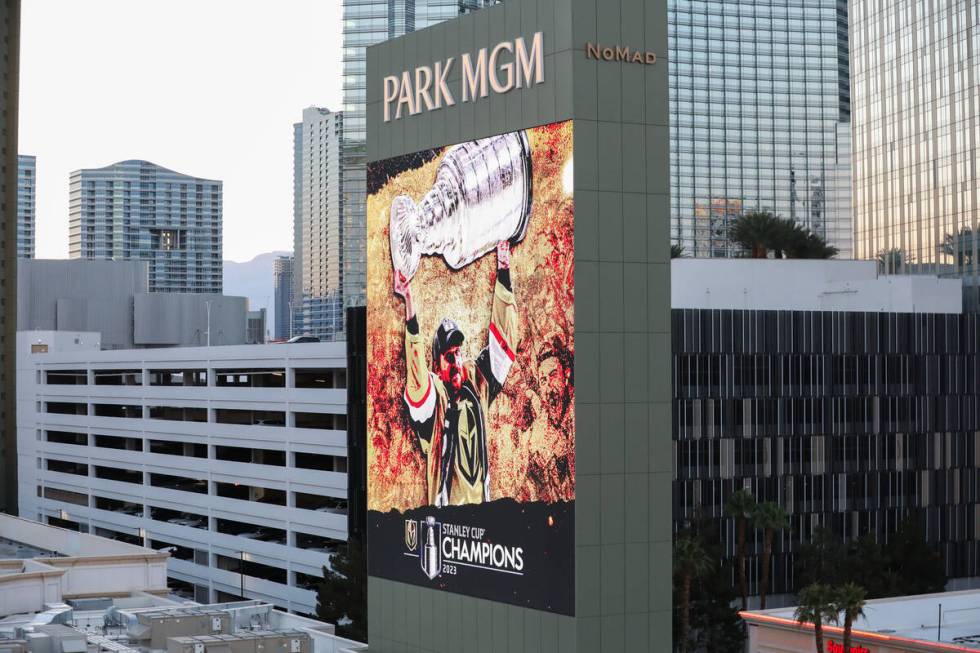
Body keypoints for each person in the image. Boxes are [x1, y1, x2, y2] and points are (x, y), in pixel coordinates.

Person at [395, 240, 519, 506]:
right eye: (449, 357)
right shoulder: (434, 400)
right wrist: (409, 303)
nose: (457, 361)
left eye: (459, 353)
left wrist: (504, 271)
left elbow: (503, 348)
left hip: (481, 528)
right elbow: (417, 381)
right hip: (447, 531)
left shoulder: (476, 382)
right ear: (437, 364)